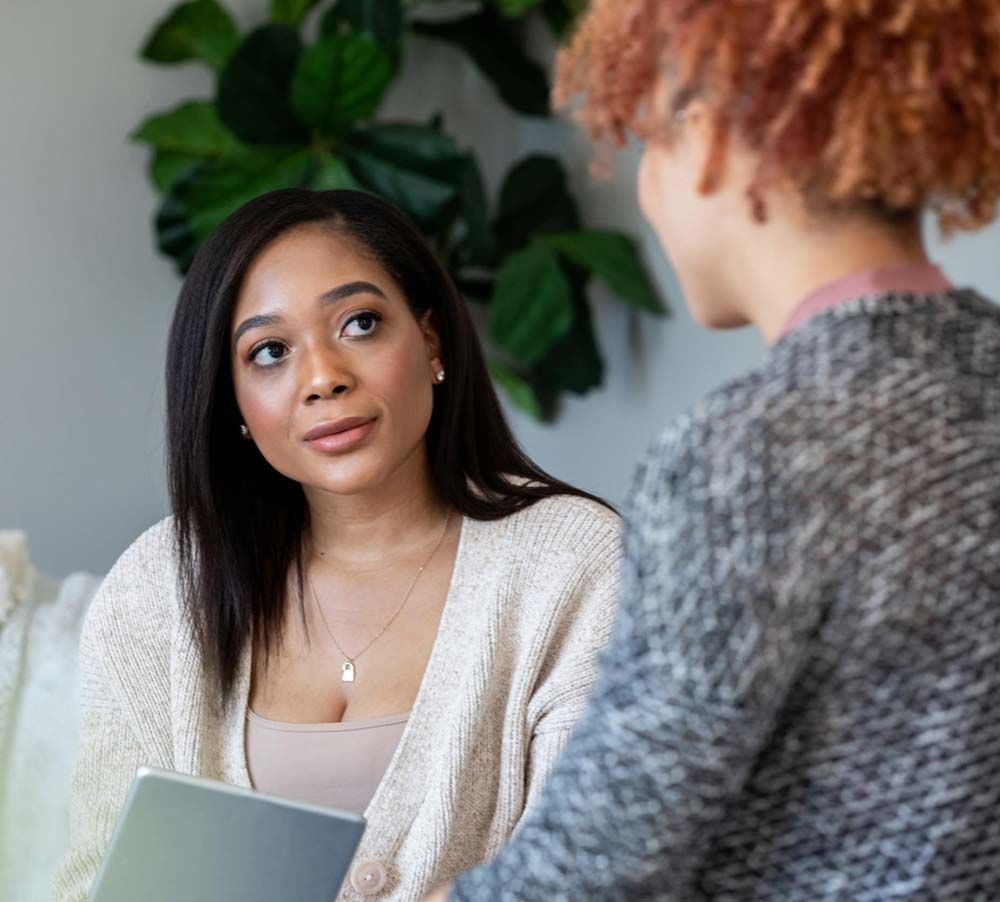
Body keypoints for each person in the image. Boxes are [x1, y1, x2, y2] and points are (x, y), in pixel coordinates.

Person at [427, 1, 1000, 899]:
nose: (647, 188)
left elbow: (601, 861)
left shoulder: (748, 454)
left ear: (710, 137)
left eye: (648, 140)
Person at [53, 189, 622, 901]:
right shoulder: (160, 584)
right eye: (269, 352)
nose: (323, 378)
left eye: (359, 323)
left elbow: (602, 869)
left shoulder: (573, 564)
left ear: (432, 341)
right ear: (231, 401)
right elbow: (94, 884)